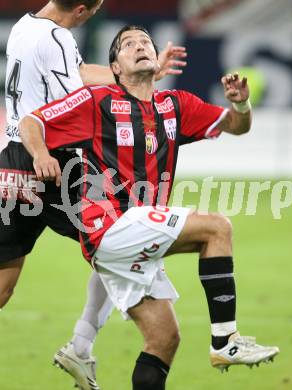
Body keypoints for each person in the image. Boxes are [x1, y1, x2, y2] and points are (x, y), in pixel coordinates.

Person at [19, 25, 279, 389]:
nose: (140, 46)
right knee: (217, 227)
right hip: (108, 225)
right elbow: (32, 122)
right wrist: (41, 153)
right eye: (128, 44)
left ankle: (81, 346)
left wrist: (240, 102)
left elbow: (237, 125)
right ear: (115, 66)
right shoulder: (97, 101)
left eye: (145, 42)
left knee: (165, 339)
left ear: (156, 59)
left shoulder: (177, 106)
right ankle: (226, 341)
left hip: (131, 236)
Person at [0, 1, 187, 388]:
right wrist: (134, 86)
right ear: (85, 11)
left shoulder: (25, 25)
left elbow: (80, 72)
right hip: (52, 163)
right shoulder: (58, 37)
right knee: (122, 237)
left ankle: (81, 348)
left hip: (11, 164)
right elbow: (79, 96)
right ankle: (81, 347)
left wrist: (140, 71)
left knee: (2, 286)